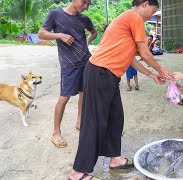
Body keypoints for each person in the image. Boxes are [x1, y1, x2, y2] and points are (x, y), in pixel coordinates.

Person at [68, 0, 171, 179]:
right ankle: (77, 171)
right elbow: (145, 53)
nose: (151, 16)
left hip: (108, 75)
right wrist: (162, 70)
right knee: (94, 122)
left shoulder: (126, 19)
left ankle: (115, 158)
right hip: (101, 72)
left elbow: (131, 58)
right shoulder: (134, 17)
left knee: (115, 117)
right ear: (145, 4)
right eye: (152, 11)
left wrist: (151, 74)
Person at [38, 0, 97, 148]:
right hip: (69, 64)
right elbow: (41, 33)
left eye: (89, 4)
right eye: (84, 2)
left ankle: (79, 121)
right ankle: (56, 133)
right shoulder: (56, 14)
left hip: (86, 61)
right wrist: (60, 36)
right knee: (64, 97)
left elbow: (94, 32)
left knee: (84, 93)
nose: (86, 7)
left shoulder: (84, 19)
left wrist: (86, 42)